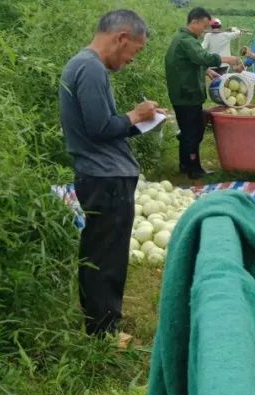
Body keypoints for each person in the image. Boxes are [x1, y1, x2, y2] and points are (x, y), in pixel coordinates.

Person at [59, 9, 164, 338]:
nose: (134, 58)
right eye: (137, 49)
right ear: (121, 38)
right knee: (106, 257)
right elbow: (101, 127)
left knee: (102, 251)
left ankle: (100, 324)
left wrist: (141, 120)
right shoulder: (90, 68)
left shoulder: (85, 66)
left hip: (102, 175)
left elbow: (103, 127)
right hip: (105, 178)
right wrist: (135, 114)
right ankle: (103, 331)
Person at [165, 7, 240, 180]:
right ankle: (194, 168)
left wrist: (206, 70)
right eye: (204, 26)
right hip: (188, 94)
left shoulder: (181, 39)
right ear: (194, 22)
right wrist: (228, 59)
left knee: (187, 131)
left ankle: (185, 164)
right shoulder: (187, 41)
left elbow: (189, 62)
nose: (205, 30)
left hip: (181, 93)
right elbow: (202, 57)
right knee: (194, 131)